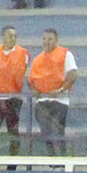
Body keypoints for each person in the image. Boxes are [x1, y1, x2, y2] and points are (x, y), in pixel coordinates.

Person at [28, 26, 77, 156]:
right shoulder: (37, 59)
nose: (46, 41)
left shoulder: (66, 54)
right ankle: (52, 161)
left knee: (57, 132)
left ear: (56, 40)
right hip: (42, 101)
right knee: (46, 132)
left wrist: (61, 90)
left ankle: (62, 161)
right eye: (44, 39)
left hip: (59, 101)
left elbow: (73, 74)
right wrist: (34, 90)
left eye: (50, 39)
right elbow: (31, 81)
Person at [0, 25, 29, 162]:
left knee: (13, 131)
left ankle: (13, 161)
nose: (13, 39)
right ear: (3, 37)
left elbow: (16, 73)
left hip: (13, 98)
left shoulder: (23, 53)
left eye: (15, 36)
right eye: (10, 36)